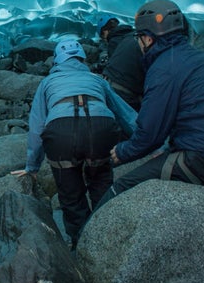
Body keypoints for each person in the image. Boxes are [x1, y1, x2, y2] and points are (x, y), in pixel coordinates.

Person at [95, 0, 204, 208]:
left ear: (148, 38)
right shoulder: (199, 58)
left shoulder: (163, 68)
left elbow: (150, 134)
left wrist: (122, 152)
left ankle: (83, 239)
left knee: (122, 188)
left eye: (139, 37)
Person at [12, 39, 137, 249]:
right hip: (101, 130)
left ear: (57, 61)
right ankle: (106, 238)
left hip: (61, 133)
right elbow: (127, 115)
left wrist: (32, 167)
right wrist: (152, 145)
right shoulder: (96, 80)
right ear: (82, 58)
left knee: (70, 193)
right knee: (101, 183)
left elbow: (37, 127)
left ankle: (81, 244)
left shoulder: (47, 83)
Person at [95, 14, 145, 111]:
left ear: (105, 32)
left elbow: (117, 67)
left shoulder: (114, 41)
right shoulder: (131, 35)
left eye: (102, 36)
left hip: (125, 92)